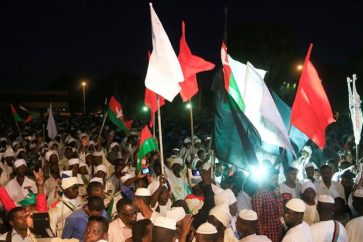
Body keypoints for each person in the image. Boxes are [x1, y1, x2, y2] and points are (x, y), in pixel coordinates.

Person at [251, 169, 283, 242]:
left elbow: (281, 213)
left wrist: (277, 197)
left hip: (278, 232)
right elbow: (257, 220)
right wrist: (262, 238)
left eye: (277, 179)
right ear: (266, 180)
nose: (277, 182)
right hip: (267, 235)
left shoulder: (276, 192)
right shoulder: (259, 195)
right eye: (274, 179)